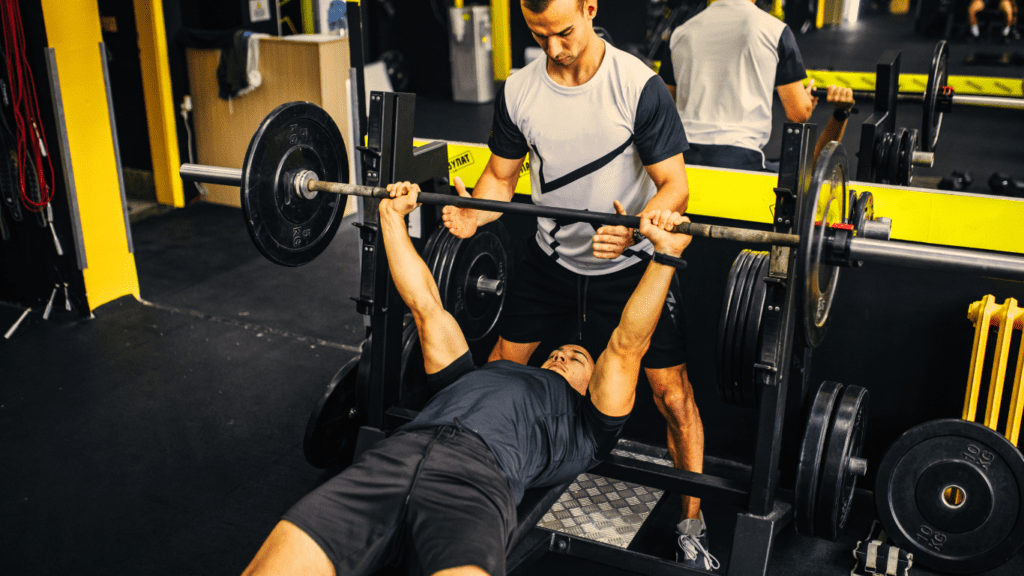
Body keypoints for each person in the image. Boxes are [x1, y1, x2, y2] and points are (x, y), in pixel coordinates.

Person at [239, 181, 693, 576]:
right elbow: (425, 304)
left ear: (593, 387)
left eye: (575, 356)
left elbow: (627, 343)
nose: (562, 352)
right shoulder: (473, 376)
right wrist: (391, 219)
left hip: (477, 482)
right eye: (558, 351)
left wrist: (664, 257)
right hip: (391, 459)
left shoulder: (589, 430)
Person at [440, 0, 714, 568]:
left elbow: (674, 187)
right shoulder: (520, 90)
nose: (554, 49)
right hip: (550, 262)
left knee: (673, 397)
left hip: (628, 265)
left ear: (590, 8)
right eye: (540, 35)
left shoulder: (637, 86)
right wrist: (476, 215)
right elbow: (499, 176)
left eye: (564, 32)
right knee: (499, 372)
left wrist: (637, 230)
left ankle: (692, 520)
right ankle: (479, 492)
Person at [660, 0, 854, 172]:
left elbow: (667, 108)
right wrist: (810, 104)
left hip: (682, 159)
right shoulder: (774, 29)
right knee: (804, 176)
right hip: (740, 157)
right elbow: (798, 113)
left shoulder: (680, 33)